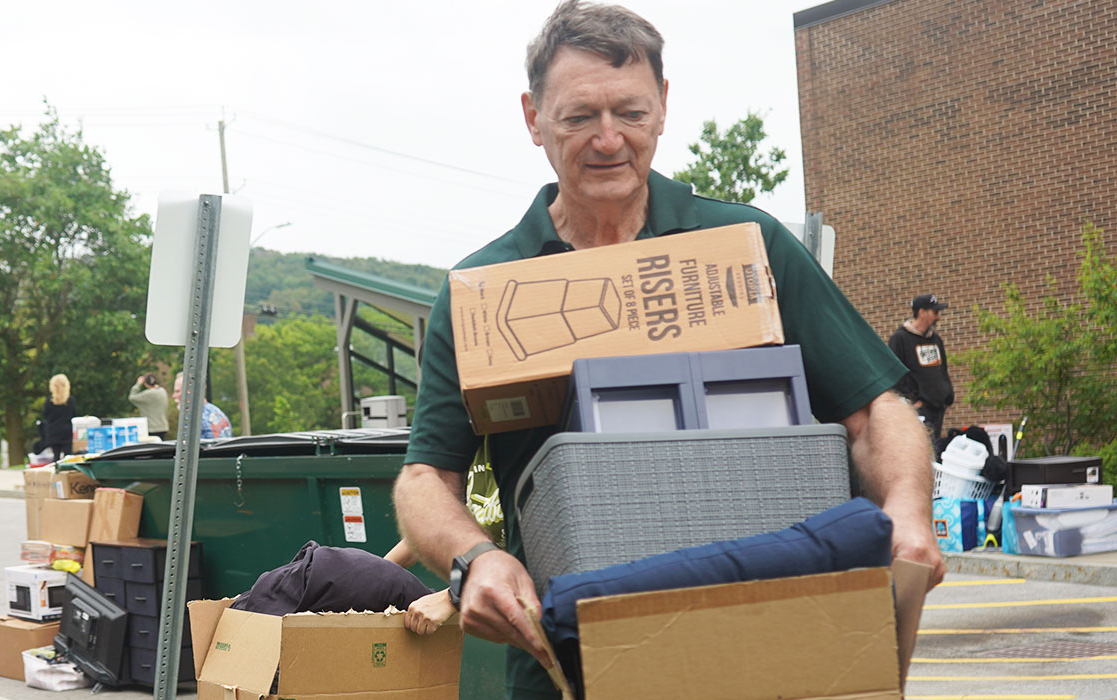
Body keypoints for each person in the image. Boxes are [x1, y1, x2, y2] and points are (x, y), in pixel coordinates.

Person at [390, 2, 943, 697]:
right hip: (570, 663)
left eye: (630, 111)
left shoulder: (747, 248)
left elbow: (874, 409)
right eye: (578, 116)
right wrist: (474, 559)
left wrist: (907, 511)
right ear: (533, 117)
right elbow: (423, 481)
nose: (608, 139)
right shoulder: (487, 292)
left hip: (778, 642)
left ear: (664, 106)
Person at [889, 294, 954, 448]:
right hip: (919, 408)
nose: (938, 317)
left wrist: (948, 396)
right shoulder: (900, 339)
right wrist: (913, 400)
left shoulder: (936, 340)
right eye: (935, 312)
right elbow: (895, 374)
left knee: (934, 448)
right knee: (922, 448)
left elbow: (942, 370)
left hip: (938, 407)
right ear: (921, 312)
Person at [173, 372, 233, 440]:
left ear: (190, 392)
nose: (174, 396)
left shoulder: (195, 419)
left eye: (177, 391)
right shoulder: (217, 412)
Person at [38, 374, 76, 458]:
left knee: (56, 456)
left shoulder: (49, 401)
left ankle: (56, 470)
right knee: (68, 456)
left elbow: (45, 414)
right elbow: (73, 414)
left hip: (53, 431)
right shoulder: (70, 400)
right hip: (66, 431)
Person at [127, 373, 170, 440]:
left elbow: (132, 397)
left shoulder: (148, 394)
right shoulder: (162, 391)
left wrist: (138, 384)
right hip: (163, 427)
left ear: (146, 384)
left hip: (152, 429)